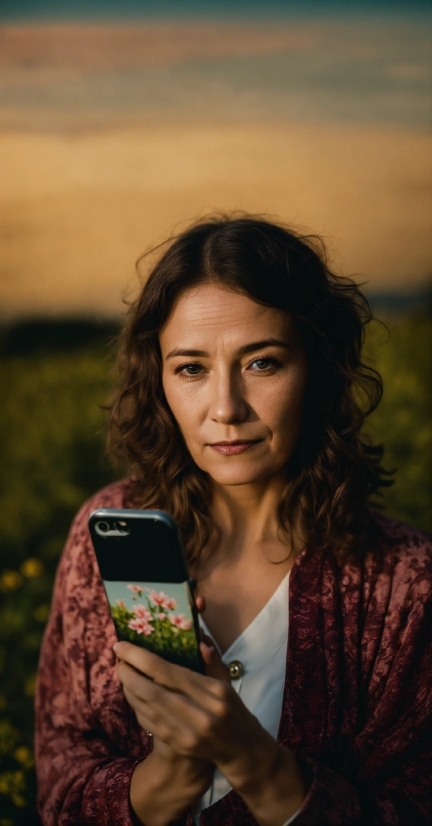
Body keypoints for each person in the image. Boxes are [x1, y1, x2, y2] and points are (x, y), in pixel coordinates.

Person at [35, 215, 431, 826]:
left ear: (319, 369)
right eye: (191, 368)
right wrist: (174, 770)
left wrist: (249, 756)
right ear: (160, 379)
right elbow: (60, 783)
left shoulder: (405, 584)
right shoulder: (107, 532)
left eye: (262, 363)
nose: (225, 408)